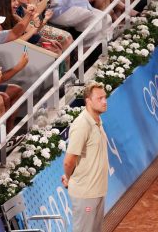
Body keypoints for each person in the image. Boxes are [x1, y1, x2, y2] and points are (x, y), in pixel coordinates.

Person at [62, 82, 109, 232]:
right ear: (88, 101)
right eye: (100, 98)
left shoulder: (97, 121)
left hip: (98, 191)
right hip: (85, 194)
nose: (104, 101)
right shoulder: (82, 125)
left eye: (105, 98)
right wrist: (69, 178)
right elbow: (69, 161)